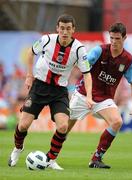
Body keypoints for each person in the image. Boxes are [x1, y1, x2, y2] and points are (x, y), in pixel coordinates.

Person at [8, 14, 93, 170]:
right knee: (23, 125)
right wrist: (29, 75)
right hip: (39, 86)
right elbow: (30, 52)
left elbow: (87, 74)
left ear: (73, 29)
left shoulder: (80, 49)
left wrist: (89, 96)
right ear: (57, 29)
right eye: (62, 28)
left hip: (59, 91)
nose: (65, 32)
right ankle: (18, 148)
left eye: (68, 28)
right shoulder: (47, 40)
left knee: (62, 127)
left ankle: (51, 159)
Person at [67, 22, 132, 169]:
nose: (113, 41)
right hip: (83, 94)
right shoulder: (99, 51)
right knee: (63, 128)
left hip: (104, 99)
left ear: (124, 38)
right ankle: (50, 156)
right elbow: (82, 66)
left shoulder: (128, 60)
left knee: (117, 122)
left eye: (117, 39)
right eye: (111, 38)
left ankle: (96, 159)